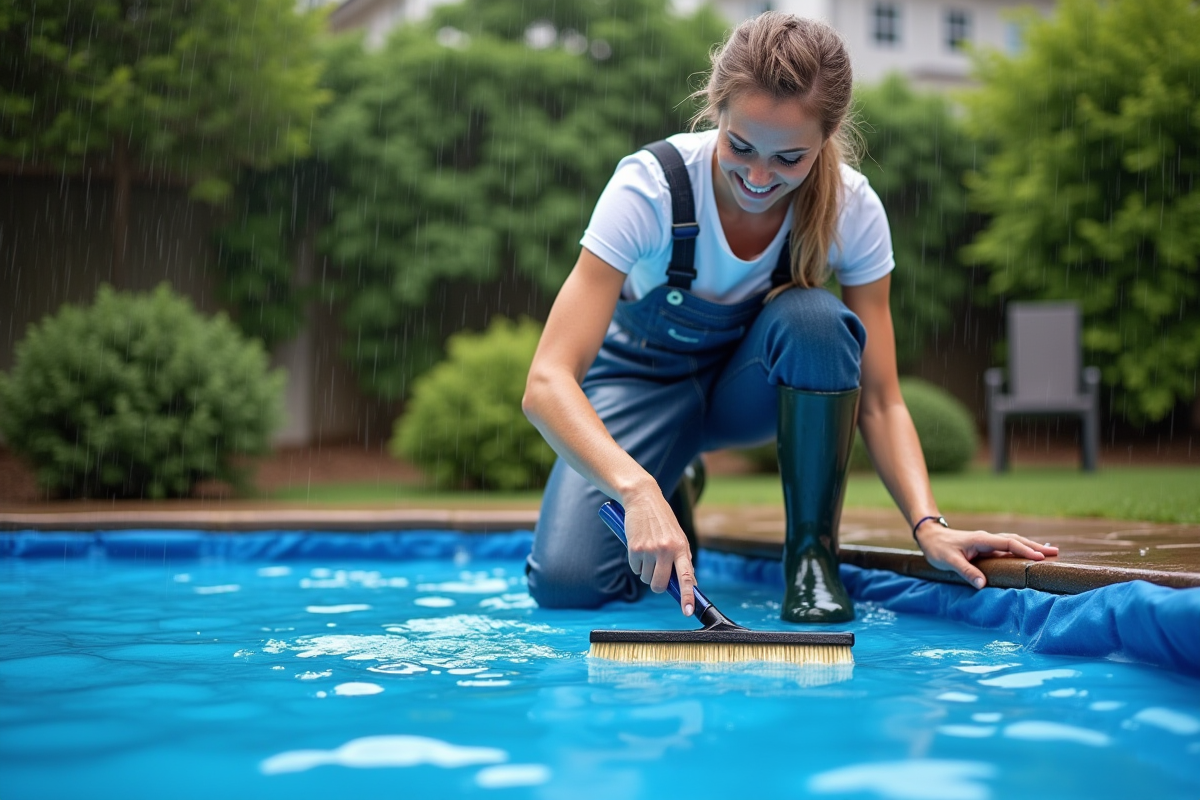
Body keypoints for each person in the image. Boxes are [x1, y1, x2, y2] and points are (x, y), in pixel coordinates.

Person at [521, 11, 1057, 623]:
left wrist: (928, 526)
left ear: (825, 141)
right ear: (716, 111)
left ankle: (810, 560)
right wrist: (636, 487)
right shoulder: (649, 188)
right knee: (566, 583)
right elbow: (546, 382)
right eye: (741, 146)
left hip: (745, 397)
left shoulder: (853, 209)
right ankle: (670, 477)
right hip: (641, 386)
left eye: (789, 158)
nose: (757, 176)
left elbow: (880, 398)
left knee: (815, 321)